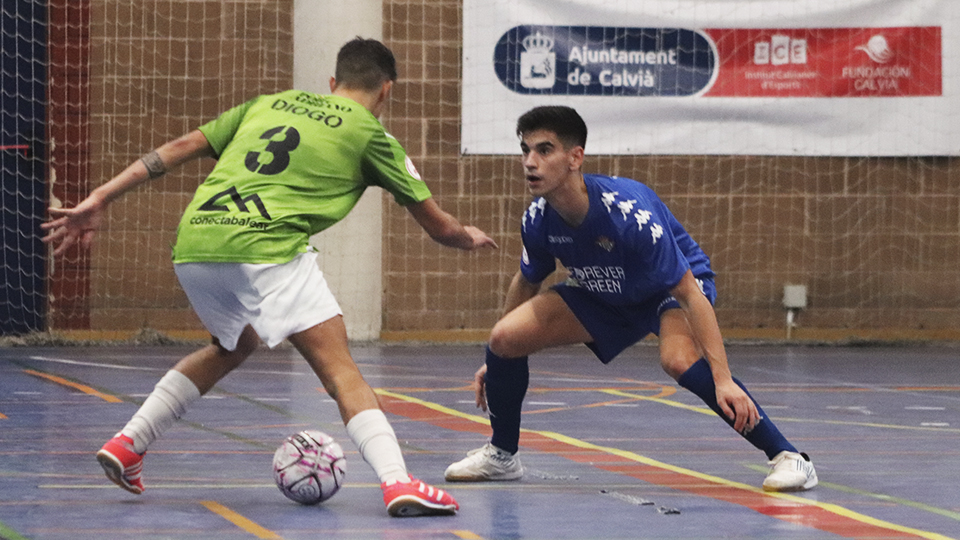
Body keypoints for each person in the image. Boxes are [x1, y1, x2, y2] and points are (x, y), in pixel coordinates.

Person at [42, 37, 496, 517]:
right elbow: (438, 226)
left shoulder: (267, 103)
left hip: (196, 242)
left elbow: (178, 148)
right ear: (386, 91)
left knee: (233, 345)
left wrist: (100, 197)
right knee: (340, 370)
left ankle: (129, 443)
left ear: (331, 82)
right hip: (266, 246)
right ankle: (398, 482)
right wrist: (467, 237)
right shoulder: (372, 135)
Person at [444, 105, 817, 492]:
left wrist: (722, 378)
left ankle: (790, 457)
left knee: (677, 359)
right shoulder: (538, 219)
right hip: (606, 291)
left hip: (667, 290)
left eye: (544, 150)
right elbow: (527, 280)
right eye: (525, 151)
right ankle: (502, 456)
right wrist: (499, 357)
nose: (530, 162)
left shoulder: (629, 214)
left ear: (575, 157)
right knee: (505, 337)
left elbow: (689, 293)